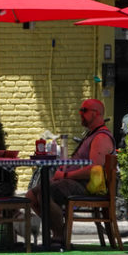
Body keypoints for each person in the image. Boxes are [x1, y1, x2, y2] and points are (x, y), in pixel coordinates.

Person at [26, 98, 115, 245]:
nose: (80, 113)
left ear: (96, 113)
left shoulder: (101, 137)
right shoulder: (91, 134)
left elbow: (95, 169)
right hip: (75, 182)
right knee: (31, 195)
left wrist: (65, 175)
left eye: (84, 110)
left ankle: (59, 236)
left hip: (87, 186)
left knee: (44, 192)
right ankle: (59, 230)